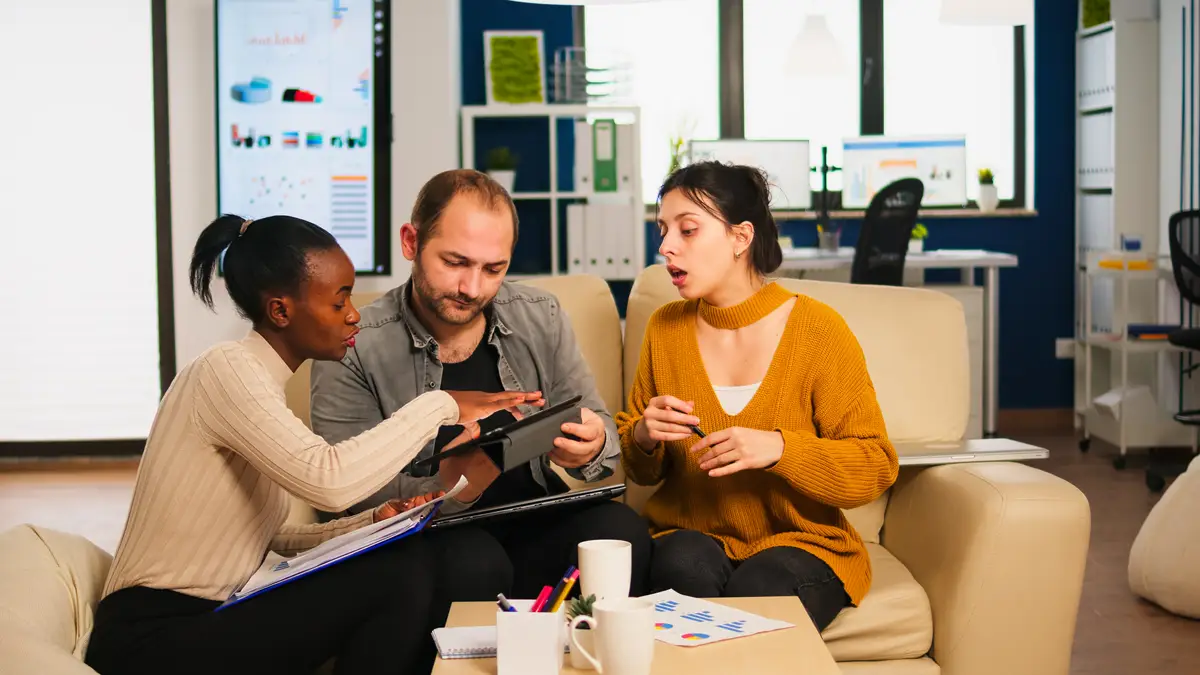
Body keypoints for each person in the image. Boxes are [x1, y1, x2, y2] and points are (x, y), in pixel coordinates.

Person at [84, 214, 541, 675]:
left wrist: (373, 524)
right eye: (339, 299)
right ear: (281, 311)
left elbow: (266, 541)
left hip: (209, 616)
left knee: (404, 555)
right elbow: (330, 481)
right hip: (150, 639)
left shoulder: (258, 385)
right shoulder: (226, 370)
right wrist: (440, 405)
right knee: (396, 576)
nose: (353, 313)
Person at [309, 169, 652, 606]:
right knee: (475, 560)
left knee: (620, 532)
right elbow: (345, 494)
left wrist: (592, 444)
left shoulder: (539, 316)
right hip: (435, 535)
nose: (472, 288)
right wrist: (452, 487)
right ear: (411, 243)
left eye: (494, 269)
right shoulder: (355, 341)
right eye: (455, 263)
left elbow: (599, 428)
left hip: (534, 517)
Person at [615, 161, 899, 632]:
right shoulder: (665, 328)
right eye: (663, 230)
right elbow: (644, 471)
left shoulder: (818, 330)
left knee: (761, 590)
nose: (665, 246)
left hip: (802, 543)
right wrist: (644, 435)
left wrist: (781, 449)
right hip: (690, 534)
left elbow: (873, 466)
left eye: (687, 230)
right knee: (681, 565)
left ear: (740, 238)